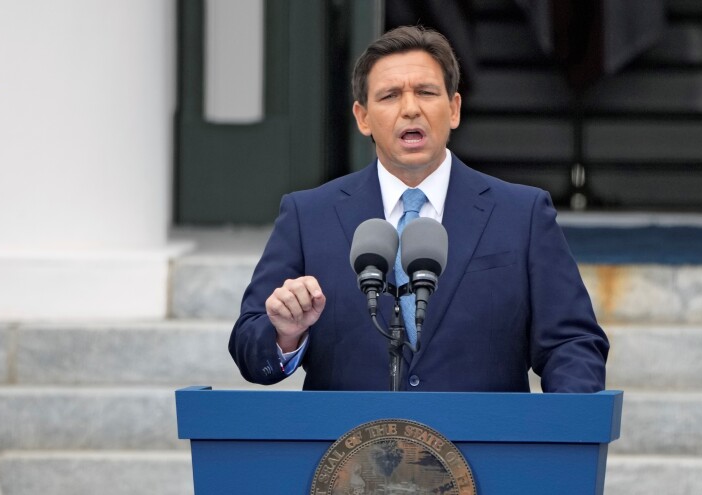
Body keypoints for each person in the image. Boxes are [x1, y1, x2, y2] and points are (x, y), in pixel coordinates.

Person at [229, 25, 608, 393]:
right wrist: (285, 333)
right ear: (362, 117)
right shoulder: (308, 216)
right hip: (350, 452)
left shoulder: (522, 214)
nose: (410, 109)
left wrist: (564, 433)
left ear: (454, 108)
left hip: (483, 451)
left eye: (426, 92)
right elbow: (249, 348)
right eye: (390, 95)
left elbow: (572, 343)